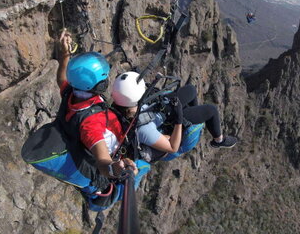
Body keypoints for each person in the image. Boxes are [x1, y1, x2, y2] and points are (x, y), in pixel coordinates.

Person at [56, 30, 149, 209]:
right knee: (144, 165)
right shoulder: (92, 124)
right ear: (99, 85)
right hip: (116, 157)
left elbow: (61, 79)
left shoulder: (71, 93)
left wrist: (65, 54)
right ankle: (117, 194)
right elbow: (102, 160)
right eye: (105, 77)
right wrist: (115, 168)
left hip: (99, 138)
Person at [111, 71, 238, 162]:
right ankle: (218, 141)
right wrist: (178, 119)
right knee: (211, 110)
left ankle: (192, 114)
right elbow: (172, 147)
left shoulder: (123, 103)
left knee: (191, 90)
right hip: (168, 123)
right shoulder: (144, 129)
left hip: (158, 110)